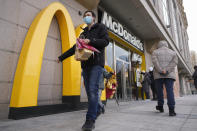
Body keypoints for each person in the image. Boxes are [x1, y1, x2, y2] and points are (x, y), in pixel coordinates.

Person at [58, 10, 109, 130]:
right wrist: (61, 57)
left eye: (88, 15)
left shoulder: (100, 27)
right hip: (85, 65)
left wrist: (91, 41)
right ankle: (99, 108)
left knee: (92, 90)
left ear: (94, 18)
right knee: (90, 92)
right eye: (85, 16)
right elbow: (75, 48)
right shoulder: (83, 32)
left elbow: (105, 42)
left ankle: (90, 120)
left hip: (97, 64)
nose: (86, 17)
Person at [152, 40, 178, 116]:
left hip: (158, 75)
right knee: (170, 91)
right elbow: (174, 62)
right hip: (169, 74)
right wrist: (167, 70)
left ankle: (160, 106)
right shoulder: (173, 53)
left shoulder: (155, 52)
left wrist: (160, 70)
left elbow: (155, 62)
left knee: (159, 91)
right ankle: (171, 110)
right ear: (167, 45)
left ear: (159, 45)